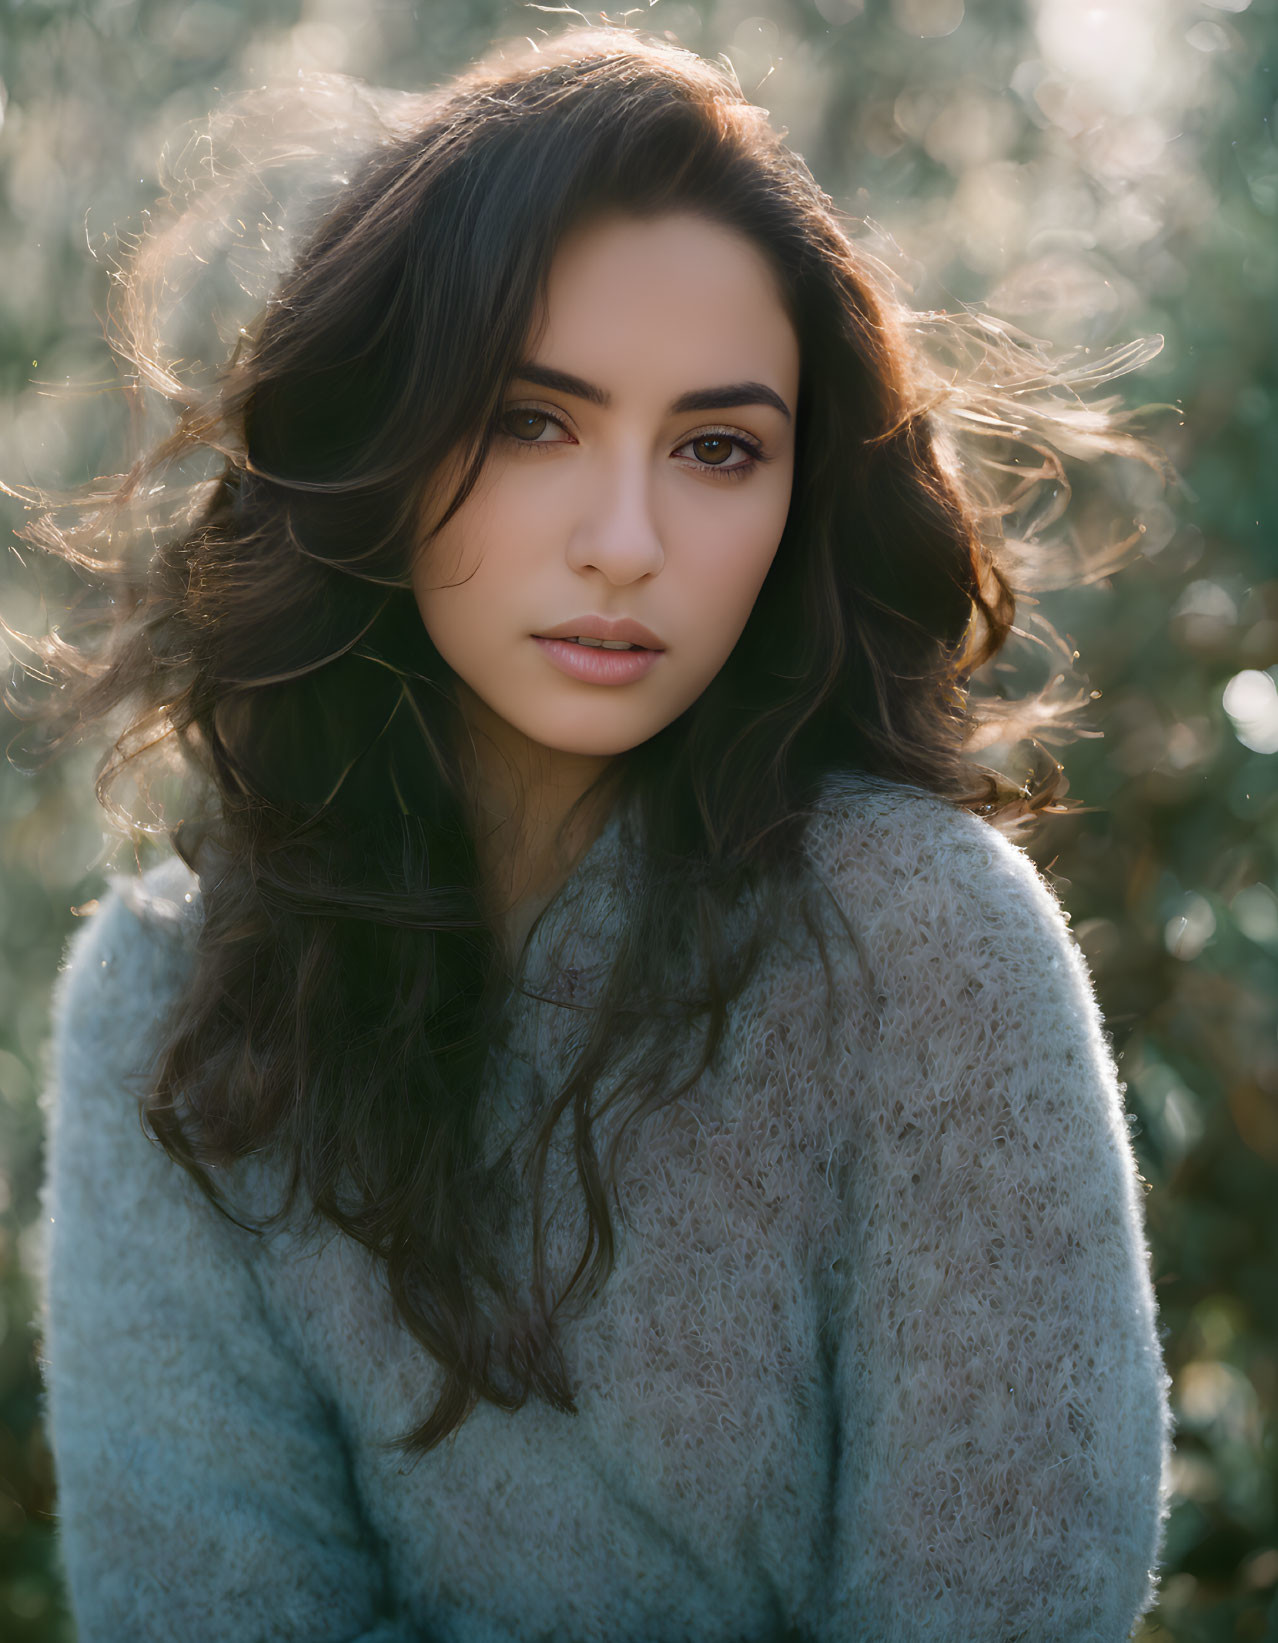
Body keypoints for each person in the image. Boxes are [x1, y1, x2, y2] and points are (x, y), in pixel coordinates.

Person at [20, 22, 1171, 1643]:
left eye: (717, 450)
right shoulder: (165, 1008)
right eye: (528, 422)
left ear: (797, 497)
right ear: (379, 432)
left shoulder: (923, 946)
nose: (625, 542)